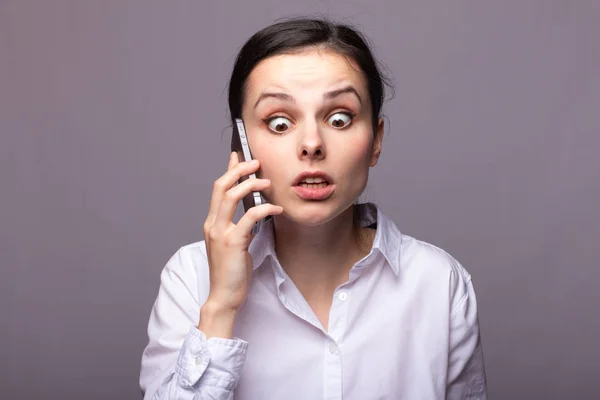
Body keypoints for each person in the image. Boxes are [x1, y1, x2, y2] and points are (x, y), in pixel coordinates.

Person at [139, 17, 487, 400]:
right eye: (279, 123)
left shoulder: (439, 284)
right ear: (241, 149)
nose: (311, 144)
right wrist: (220, 307)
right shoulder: (191, 279)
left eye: (339, 119)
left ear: (376, 141)